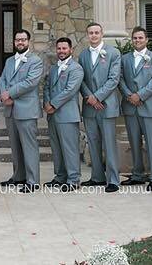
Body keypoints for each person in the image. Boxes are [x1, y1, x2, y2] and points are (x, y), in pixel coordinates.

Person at [119, 27, 152, 191]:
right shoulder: (124, 59)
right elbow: (120, 79)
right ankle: (137, 175)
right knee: (134, 142)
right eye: (135, 38)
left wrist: (140, 95)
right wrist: (130, 95)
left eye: (140, 38)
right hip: (130, 106)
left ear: (146, 40)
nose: (137, 41)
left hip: (148, 106)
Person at [78, 22, 122, 192]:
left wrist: (98, 97)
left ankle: (113, 180)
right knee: (93, 142)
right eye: (91, 33)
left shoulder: (113, 53)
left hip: (107, 105)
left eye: (96, 32)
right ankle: (97, 177)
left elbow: (113, 79)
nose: (94, 35)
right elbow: (80, 79)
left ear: (102, 34)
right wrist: (90, 97)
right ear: (87, 35)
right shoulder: (83, 55)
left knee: (109, 144)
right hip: (89, 106)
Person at [0, 29, 44, 192]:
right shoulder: (9, 61)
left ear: (28, 42)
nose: (20, 42)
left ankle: (33, 180)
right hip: (10, 109)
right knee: (15, 146)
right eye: (18, 40)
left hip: (26, 109)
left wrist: (9, 93)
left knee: (29, 145)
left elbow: (30, 82)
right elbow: (2, 78)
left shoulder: (36, 61)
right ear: (14, 42)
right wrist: (4, 95)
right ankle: (18, 176)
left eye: (23, 40)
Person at [43, 37, 84, 192]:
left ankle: (73, 179)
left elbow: (70, 90)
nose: (61, 51)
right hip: (52, 115)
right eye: (59, 48)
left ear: (71, 50)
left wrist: (53, 104)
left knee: (70, 148)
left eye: (64, 48)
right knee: (57, 148)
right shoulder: (53, 68)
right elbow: (46, 86)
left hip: (67, 115)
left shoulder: (76, 68)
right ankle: (60, 176)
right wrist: (46, 103)